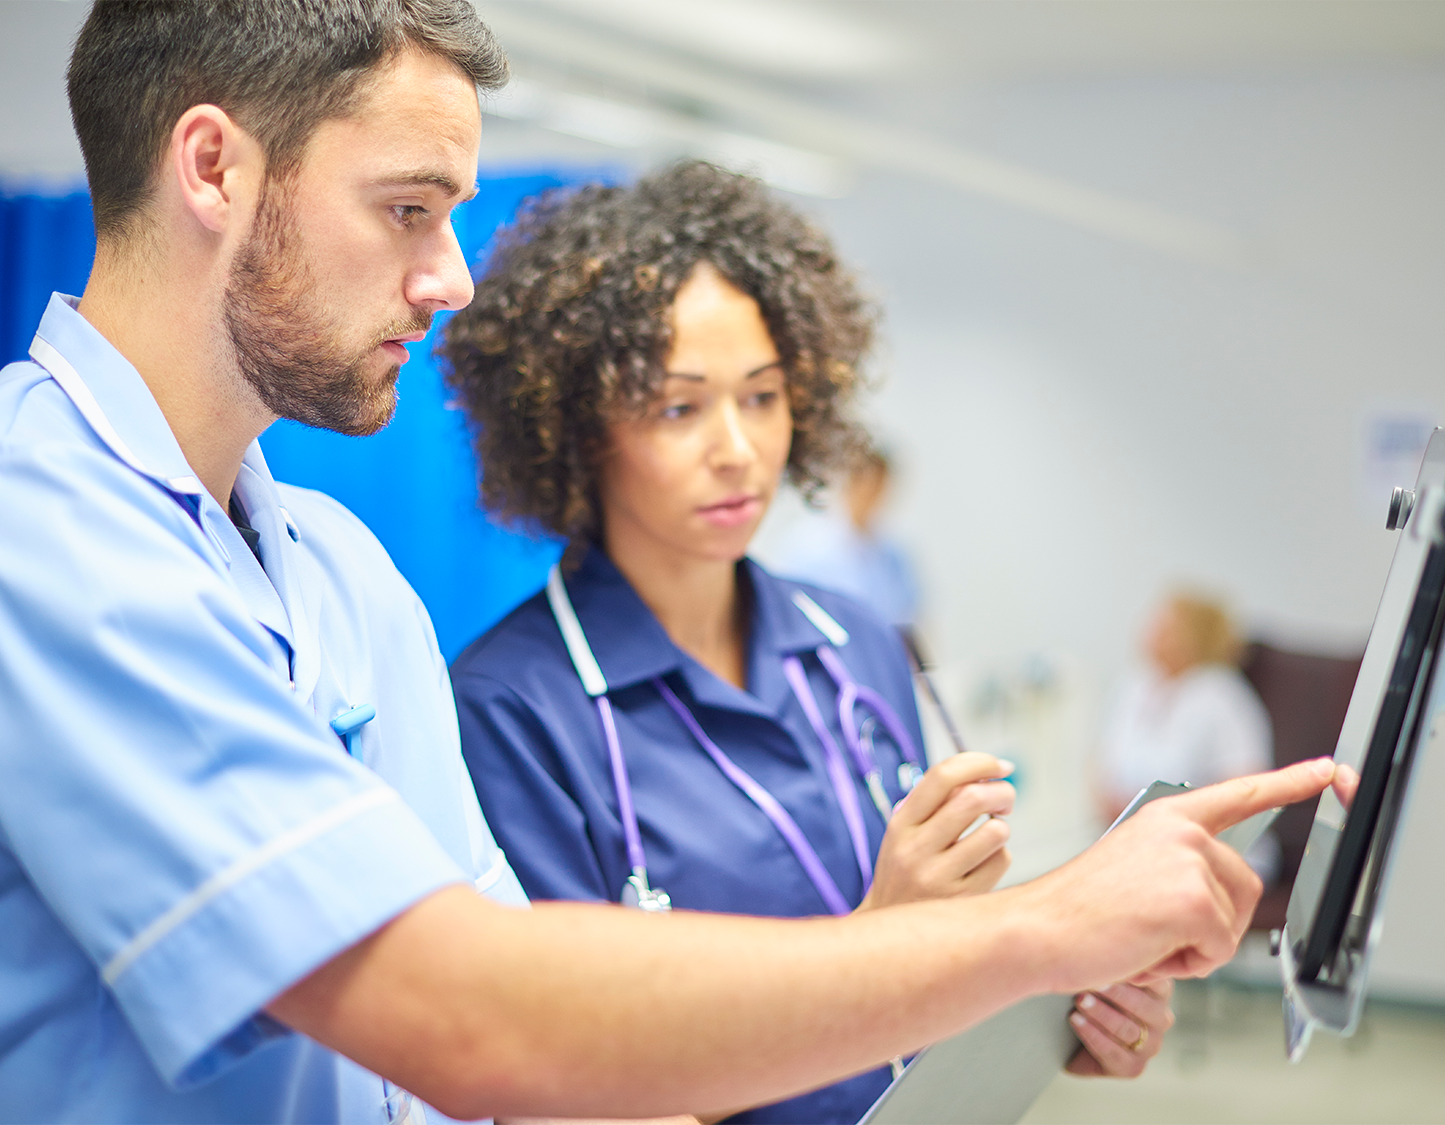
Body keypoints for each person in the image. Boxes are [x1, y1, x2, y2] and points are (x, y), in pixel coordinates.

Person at [0, 3, 1351, 1123]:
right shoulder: (44, 530)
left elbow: (533, 1074)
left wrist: (1001, 1003)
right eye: (408, 208)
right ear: (213, 168)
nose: (450, 275)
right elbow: (467, 1015)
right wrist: (1039, 929)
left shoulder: (341, 574)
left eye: (762, 399)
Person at [442, 164, 1043, 1124]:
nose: (738, 448)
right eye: (680, 407)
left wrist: (1057, 1006)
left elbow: (943, 969)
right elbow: (584, 1091)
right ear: (574, 426)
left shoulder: (863, 646)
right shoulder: (510, 711)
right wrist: (876, 946)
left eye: (761, 396)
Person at [1096, 593, 1275, 832]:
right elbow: (1104, 766)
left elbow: (1246, 788)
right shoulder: (1136, 683)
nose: (1153, 632)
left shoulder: (1223, 696)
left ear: (1197, 638)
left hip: (1203, 841)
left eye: (1168, 628)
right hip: (1133, 835)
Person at [772, 446, 921, 629]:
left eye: (880, 485)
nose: (873, 495)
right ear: (850, 483)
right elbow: (795, 613)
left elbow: (909, 615)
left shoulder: (894, 552)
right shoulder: (809, 547)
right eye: (866, 484)